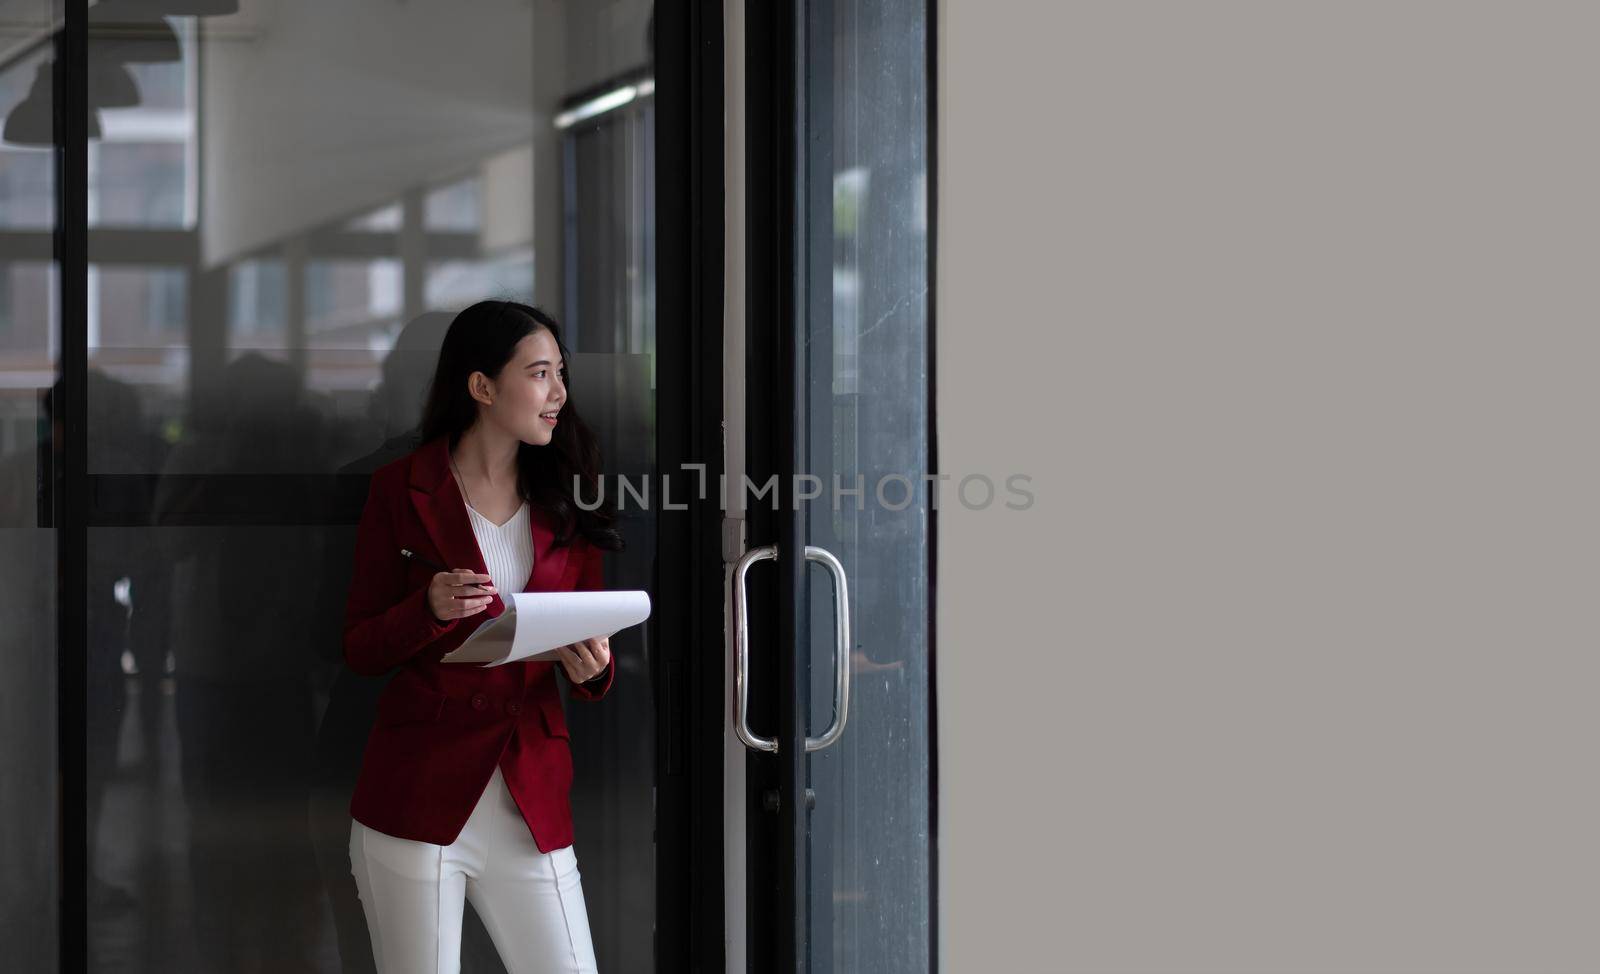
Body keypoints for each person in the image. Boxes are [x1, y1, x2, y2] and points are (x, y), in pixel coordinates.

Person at [342, 300, 624, 973]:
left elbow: (586, 651)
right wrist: (429, 608)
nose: (558, 393)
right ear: (482, 386)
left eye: (561, 374)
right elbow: (359, 647)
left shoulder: (569, 496)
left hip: (530, 795)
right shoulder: (397, 490)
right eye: (539, 373)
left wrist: (594, 670)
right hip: (416, 796)